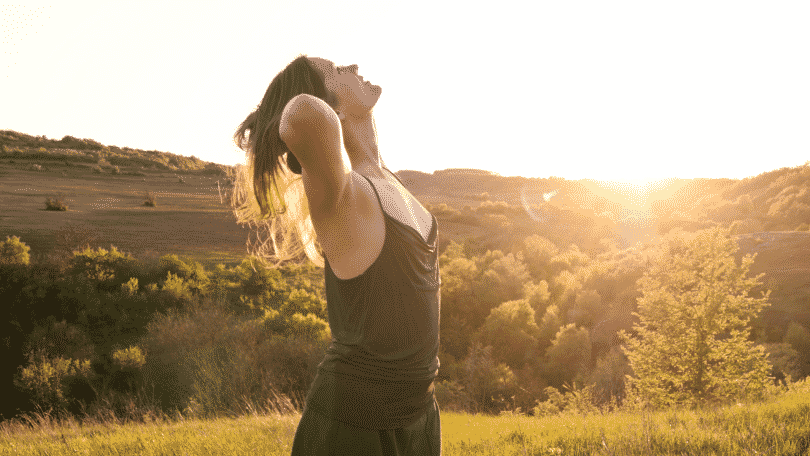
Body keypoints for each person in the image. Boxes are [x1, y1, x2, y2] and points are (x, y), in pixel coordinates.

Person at [232, 54, 442, 455]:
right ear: (331, 105)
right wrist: (306, 85)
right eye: (337, 70)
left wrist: (334, 89)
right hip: (352, 428)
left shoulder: (388, 181)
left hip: (418, 417)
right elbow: (300, 113)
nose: (353, 65)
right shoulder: (342, 196)